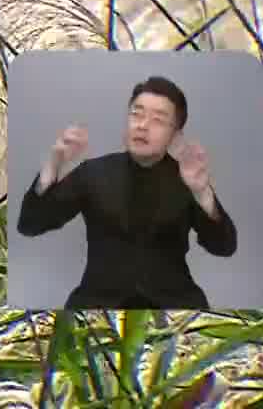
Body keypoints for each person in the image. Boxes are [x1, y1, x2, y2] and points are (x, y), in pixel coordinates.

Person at [16, 75, 236, 309]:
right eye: (136, 114)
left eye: (158, 120)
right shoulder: (94, 172)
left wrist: (202, 193)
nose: (142, 125)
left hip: (174, 304)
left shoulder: (187, 177)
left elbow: (224, 246)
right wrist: (53, 165)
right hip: (97, 304)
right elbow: (30, 225)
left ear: (176, 135)